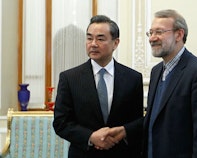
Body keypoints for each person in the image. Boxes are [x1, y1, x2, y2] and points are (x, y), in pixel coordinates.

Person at [53, 15, 144, 158]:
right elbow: (61, 123)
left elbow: (138, 121)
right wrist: (90, 137)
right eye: (89, 38)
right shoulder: (69, 78)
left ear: (115, 43)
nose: (93, 44)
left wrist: (122, 132)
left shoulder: (133, 78)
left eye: (100, 39)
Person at [142, 9, 197, 158]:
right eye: (150, 33)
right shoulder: (156, 71)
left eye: (159, 32)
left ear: (179, 34)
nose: (152, 38)